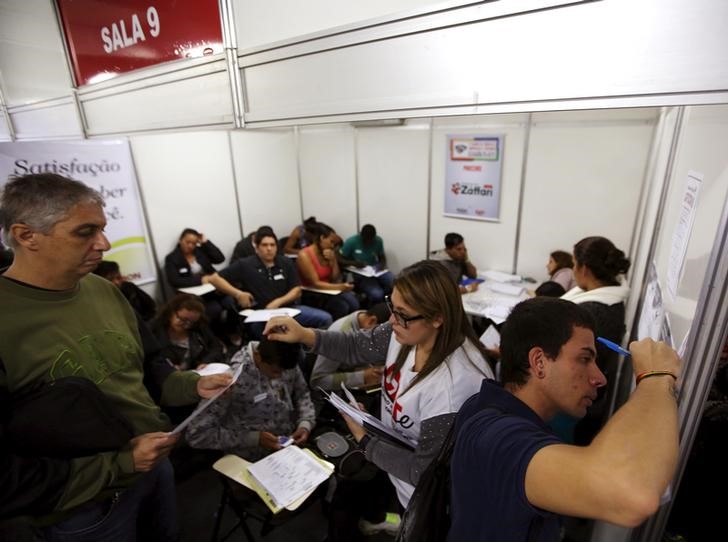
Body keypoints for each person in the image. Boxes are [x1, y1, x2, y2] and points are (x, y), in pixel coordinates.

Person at [0, 173, 232, 540]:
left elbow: (149, 366)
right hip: (84, 509)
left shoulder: (105, 292)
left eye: (103, 229)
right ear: (26, 235)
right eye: (85, 232)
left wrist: (192, 385)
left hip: (153, 466)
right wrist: (119, 464)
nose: (104, 243)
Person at [264, 260, 494, 509]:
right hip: (399, 475)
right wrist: (304, 334)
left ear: (438, 317)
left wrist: (366, 440)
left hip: (426, 501)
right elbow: (358, 345)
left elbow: (422, 472)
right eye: (392, 307)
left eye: (402, 314)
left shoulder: (453, 389)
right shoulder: (408, 331)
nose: (392, 321)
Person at [449, 297, 680, 542]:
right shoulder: (500, 438)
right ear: (539, 362)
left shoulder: (487, 406)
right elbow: (632, 495)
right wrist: (656, 377)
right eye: (584, 359)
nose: (600, 378)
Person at [186, 337, 315, 461]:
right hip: (249, 457)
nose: (280, 377)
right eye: (275, 371)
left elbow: (302, 393)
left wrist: (305, 423)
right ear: (258, 356)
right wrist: (253, 438)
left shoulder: (284, 358)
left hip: (286, 443)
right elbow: (197, 435)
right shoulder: (231, 380)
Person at [561, 236, 631, 444]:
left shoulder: (591, 312)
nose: (573, 270)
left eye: (574, 264)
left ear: (585, 269)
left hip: (575, 402)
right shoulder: (608, 302)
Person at [213, 228, 332, 338]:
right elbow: (214, 278)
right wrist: (238, 294)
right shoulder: (245, 264)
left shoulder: (286, 262)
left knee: (325, 319)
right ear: (257, 247)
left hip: (288, 309)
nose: (269, 248)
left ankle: (313, 355)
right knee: (281, 337)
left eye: (272, 245)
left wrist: (278, 301)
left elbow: (296, 290)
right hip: (261, 314)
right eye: (264, 245)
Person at [164, 227, 253, 343]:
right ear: (180, 240)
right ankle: (216, 338)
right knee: (214, 309)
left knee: (230, 302)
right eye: (187, 242)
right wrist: (201, 280)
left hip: (212, 289)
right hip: (193, 295)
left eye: (194, 243)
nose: (190, 246)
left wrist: (205, 243)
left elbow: (219, 258)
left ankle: (232, 331)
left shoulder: (199, 252)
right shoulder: (172, 258)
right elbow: (174, 280)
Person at [310, 304, 390, 391]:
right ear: (371, 321)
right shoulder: (340, 334)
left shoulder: (365, 318)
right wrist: (362, 376)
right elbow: (318, 381)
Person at [297, 222, 359, 321]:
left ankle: (348, 331)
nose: (332, 246)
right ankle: (335, 332)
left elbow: (335, 278)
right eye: (331, 242)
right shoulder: (304, 255)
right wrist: (341, 287)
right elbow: (315, 283)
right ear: (322, 238)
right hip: (313, 292)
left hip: (329, 289)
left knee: (354, 303)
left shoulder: (327, 252)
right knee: (342, 307)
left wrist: (333, 261)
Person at [151, 294, 227, 371]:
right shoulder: (155, 332)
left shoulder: (199, 327)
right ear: (171, 312)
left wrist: (206, 362)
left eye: (191, 322)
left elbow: (216, 347)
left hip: (197, 373)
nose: (186, 326)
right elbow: (151, 361)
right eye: (182, 319)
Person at [339, 224, 394, 304]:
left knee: (395, 282)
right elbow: (339, 259)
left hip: (375, 269)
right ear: (361, 235)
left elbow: (382, 257)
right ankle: (375, 305)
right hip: (360, 272)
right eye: (366, 240)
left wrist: (382, 265)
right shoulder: (351, 242)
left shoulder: (378, 240)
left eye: (371, 240)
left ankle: (387, 300)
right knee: (377, 294)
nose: (369, 242)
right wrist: (354, 263)